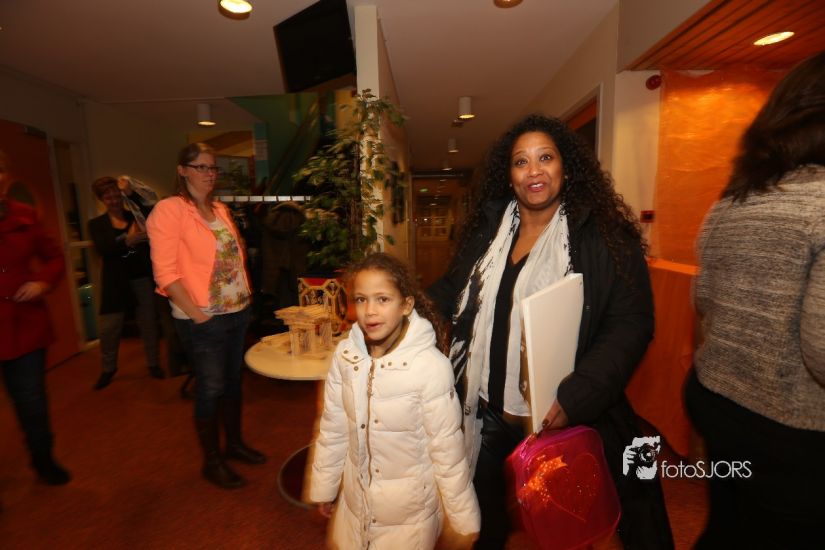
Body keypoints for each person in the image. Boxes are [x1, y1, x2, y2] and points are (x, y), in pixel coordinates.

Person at [428, 114, 673, 549]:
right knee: (482, 522)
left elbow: (631, 323)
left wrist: (577, 396)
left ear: (566, 167)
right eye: (521, 161)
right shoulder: (489, 230)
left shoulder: (603, 236)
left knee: (573, 529)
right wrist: (400, 306)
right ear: (509, 175)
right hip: (484, 410)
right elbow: (451, 290)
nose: (534, 170)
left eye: (546, 157)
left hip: (563, 413)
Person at [687, 50, 825, 549]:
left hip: (718, 406)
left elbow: (703, 300)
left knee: (729, 528)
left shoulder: (732, 202)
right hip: (791, 433)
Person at [309, 253, 480, 549]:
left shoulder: (430, 368)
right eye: (361, 299)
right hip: (355, 507)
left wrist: (463, 518)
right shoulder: (345, 357)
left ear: (406, 305)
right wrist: (325, 487)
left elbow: (447, 450)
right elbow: (333, 429)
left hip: (409, 518)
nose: (370, 311)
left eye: (383, 299)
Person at [146, 143, 265, 489]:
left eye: (213, 167)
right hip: (203, 318)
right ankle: (212, 462)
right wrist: (200, 317)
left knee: (232, 383)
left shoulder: (220, 209)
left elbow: (233, 259)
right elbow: (165, 274)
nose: (209, 174)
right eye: (201, 167)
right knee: (210, 388)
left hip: (237, 311)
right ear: (182, 171)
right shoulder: (169, 210)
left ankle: (235, 445)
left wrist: (245, 300)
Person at [0, 150, 70, 485]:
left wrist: (42, 282)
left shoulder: (24, 213)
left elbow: (54, 257)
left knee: (32, 400)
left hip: (24, 326)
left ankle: (43, 460)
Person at [88, 176, 164, 389]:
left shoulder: (135, 217)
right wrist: (127, 241)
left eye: (116, 194)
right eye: (107, 196)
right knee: (109, 328)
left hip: (141, 278)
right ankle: (108, 369)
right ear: (101, 200)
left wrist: (131, 193)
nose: (113, 199)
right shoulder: (96, 224)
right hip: (115, 283)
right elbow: (105, 249)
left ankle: (153, 364)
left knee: (148, 324)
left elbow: (153, 213)